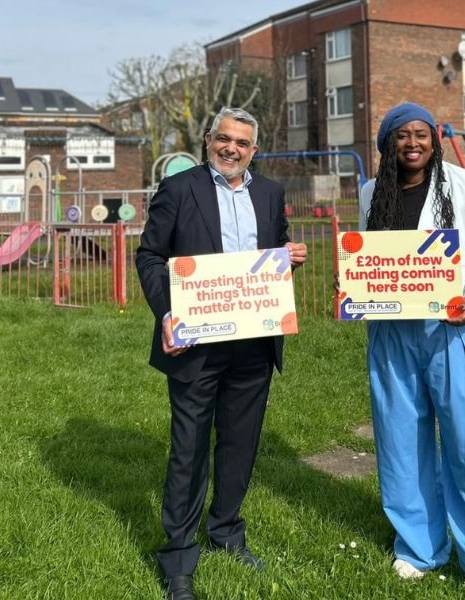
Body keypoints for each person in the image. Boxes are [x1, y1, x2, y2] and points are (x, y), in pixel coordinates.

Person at [136, 106, 307, 600]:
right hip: (194, 340)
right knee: (188, 447)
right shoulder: (179, 187)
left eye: (242, 143)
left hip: (254, 341)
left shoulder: (271, 193)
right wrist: (167, 313)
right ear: (209, 139)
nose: (231, 148)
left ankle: (227, 532)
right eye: (223, 139)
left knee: (240, 442)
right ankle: (178, 558)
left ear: (256, 150)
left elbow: (270, 262)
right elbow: (150, 256)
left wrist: (289, 258)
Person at [358, 102, 465, 600]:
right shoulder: (369, 192)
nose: (412, 143)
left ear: (433, 139)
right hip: (391, 335)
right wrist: (356, 290)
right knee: (401, 445)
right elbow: (369, 258)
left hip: (450, 331)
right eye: (400, 136)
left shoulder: (464, 185)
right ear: (388, 144)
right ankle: (419, 548)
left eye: (420, 135)